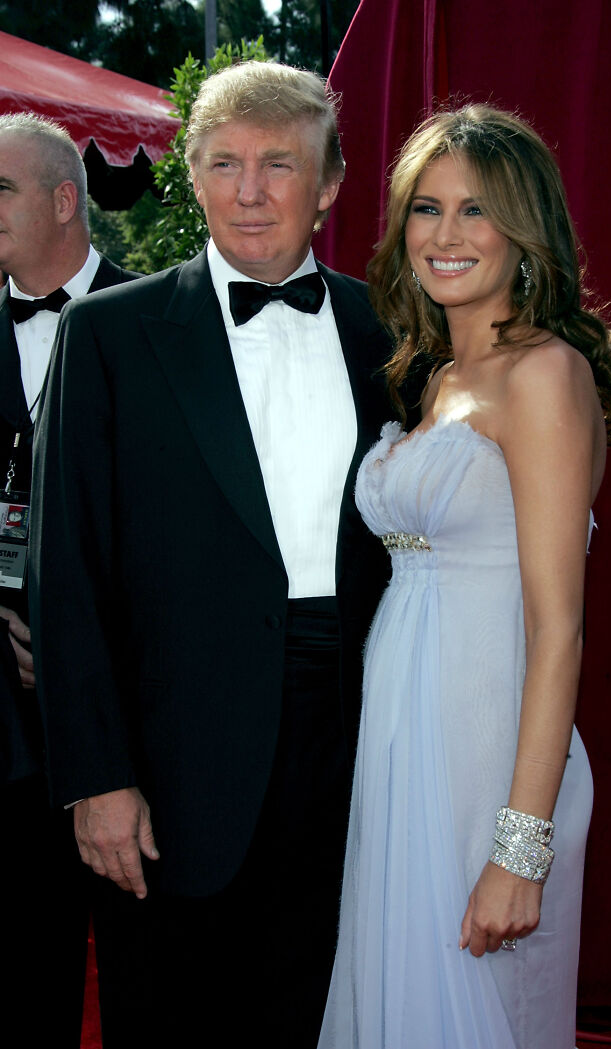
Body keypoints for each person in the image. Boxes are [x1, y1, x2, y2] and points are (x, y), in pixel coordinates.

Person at [29, 62, 392, 1048]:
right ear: (191, 176)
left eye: (280, 163)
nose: (248, 188)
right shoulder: (107, 333)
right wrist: (95, 777)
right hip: (168, 759)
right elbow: (65, 569)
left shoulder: (388, 332)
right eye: (223, 162)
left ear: (328, 184)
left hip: (358, 747)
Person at [318, 104, 611, 1049]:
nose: (445, 234)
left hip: (489, 753)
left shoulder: (543, 373)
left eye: (476, 211)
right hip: (400, 743)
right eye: (426, 208)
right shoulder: (435, 378)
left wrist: (520, 844)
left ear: (525, 230)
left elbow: (559, 629)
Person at [0, 111, 140, 1048]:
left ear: (62, 199)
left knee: (147, 984)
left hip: (134, 726)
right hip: (5, 729)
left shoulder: (165, 320)